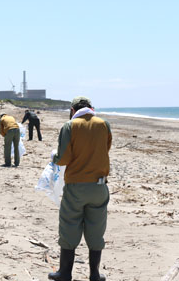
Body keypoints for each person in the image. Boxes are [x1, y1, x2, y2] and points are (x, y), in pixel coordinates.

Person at [49, 97, 111, 281]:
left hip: (76, 185)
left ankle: (65, 273)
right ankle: (95, 274)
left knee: (69, 226)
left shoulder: (70, 126)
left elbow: (63, 159)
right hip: (99, 186)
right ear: (91, 108)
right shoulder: (104, 124)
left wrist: (54, 157)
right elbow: (105, 149)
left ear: (72, 109)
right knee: (96, 229)